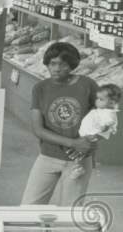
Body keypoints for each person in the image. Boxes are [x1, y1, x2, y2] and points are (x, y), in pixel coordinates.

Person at [20, 41, 99, 206]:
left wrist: (91, 142)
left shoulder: (87, 85)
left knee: (70, 209)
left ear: (72, 65)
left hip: (79, 160)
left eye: (62, 64)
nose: (56, 68)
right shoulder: (40, 88)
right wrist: (73, 143)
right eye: (52, 63)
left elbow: (102, 117)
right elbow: (38, 129)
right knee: (29, 205)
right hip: (48, 156)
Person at [71, 83, 122, 179]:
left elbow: (107, 125)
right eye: (97, 98)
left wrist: (96, 134)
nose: (97, 101)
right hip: (88, 132)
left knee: (80, 150)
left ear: (111, 103)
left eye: (101, 99)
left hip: (91, 134)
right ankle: (91, 163)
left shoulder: (109, 114)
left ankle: (77, 168)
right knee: (89, 150)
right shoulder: (103, 109)